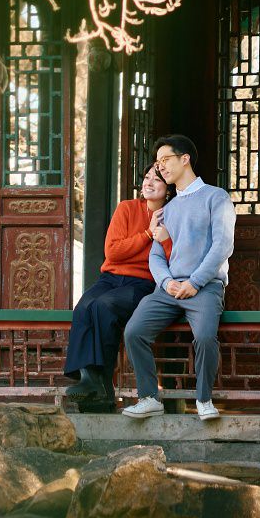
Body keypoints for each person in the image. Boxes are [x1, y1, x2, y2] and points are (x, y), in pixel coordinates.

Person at [123, 134, 235, 423]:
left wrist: (195, 282)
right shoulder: (167, 210)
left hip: (205, 286)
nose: (161, 168)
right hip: (169, 289)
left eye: (165, 160)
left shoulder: (216, 197)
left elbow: (222, 246)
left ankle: (203, 399)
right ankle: (149, 397)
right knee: (134, 331)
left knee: (206, 337)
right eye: (158, 163)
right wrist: (166, 282)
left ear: (184, 159)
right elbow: (156, 257)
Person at [60, 161, 174, 413]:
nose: (148, 183)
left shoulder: (174, 215)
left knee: (104, 306)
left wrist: (161, 236)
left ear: (168, 188)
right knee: (84, 307)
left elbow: (172, 258)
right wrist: (146, 235)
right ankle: (88, 378)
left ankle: (102, 387)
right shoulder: (126, 208)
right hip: (110, 278)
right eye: (146, 178)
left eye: (156, 179)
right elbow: (112, 251)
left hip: (143, 282)